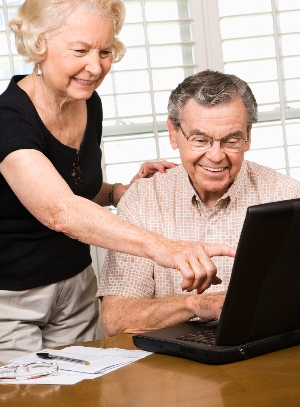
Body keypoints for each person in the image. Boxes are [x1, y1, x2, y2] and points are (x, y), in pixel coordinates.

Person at [0, 0, 235, 364]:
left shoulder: (87, 102)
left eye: (105, 51)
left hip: (75, 285)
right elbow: (60, 210)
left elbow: (77, 189)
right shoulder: (8, 120)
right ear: (39, 44)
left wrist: (118, 193)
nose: (95, 67)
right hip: (12, 297)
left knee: (82, 394)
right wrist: (167, 248)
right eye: (80, 51)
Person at [99, 69, 300, 337]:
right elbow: (116, 320)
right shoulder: (142, 200)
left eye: (232, 140)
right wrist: (195, 303)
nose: (216, 156)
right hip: (170, 366)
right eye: (200, 140)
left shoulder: (287, 196)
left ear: (248, 137)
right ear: (173, 133)